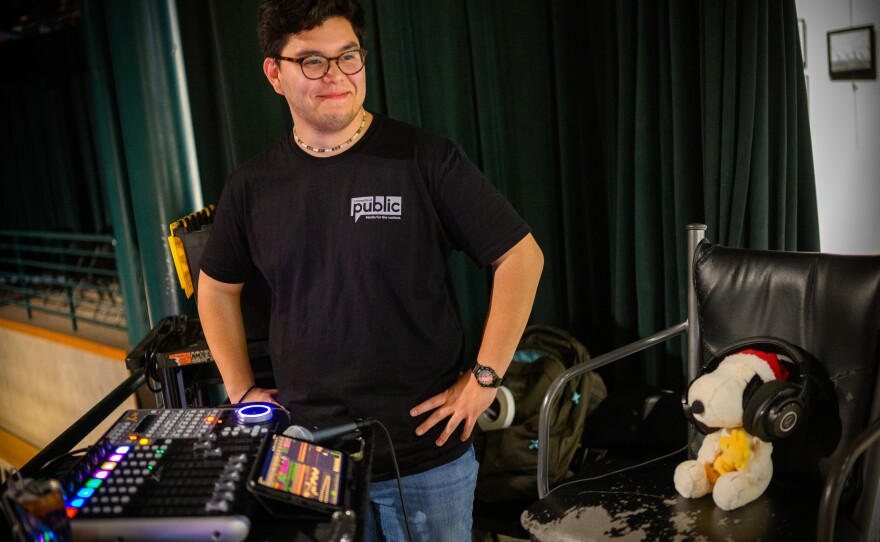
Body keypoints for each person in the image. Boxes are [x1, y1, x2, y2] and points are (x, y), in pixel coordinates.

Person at [196, 0, 543, 540]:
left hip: (426, 460)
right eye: (312, 61)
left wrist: (484, 379)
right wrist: (240, 390)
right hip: (309, 454)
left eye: (348, 56)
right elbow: (216, 290)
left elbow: (521, 256)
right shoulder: (251, 186)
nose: (335, 75)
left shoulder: (425, 159)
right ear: (274, 73)